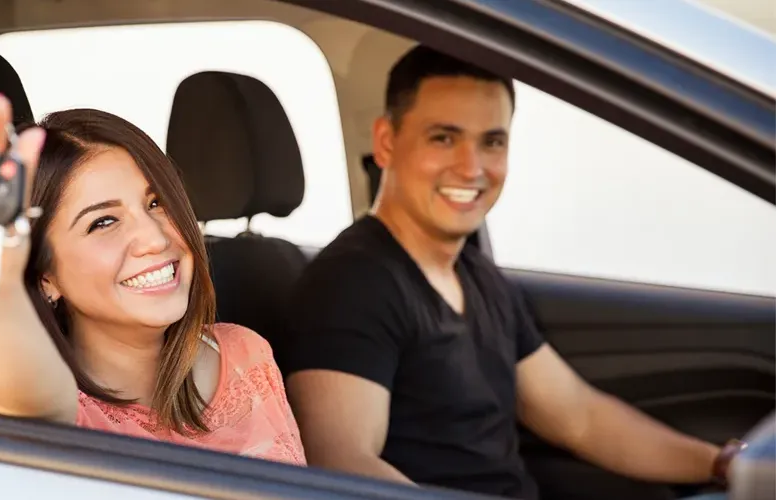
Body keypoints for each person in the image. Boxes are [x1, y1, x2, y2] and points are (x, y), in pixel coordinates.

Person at [278, 45, 740, 498]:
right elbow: (340, 466)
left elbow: (580, 417)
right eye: (444, 137)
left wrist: (721, 465)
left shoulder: (476, 275)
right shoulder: (351, 285)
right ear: (386, 142)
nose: (472, 167)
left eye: (491, 142)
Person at [0, 87, 305, 466]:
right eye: (103, 223)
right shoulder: (50, 408)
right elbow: (31, 402)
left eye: (156, 203)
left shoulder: (246, 352)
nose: (153, 237)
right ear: (44, 278)